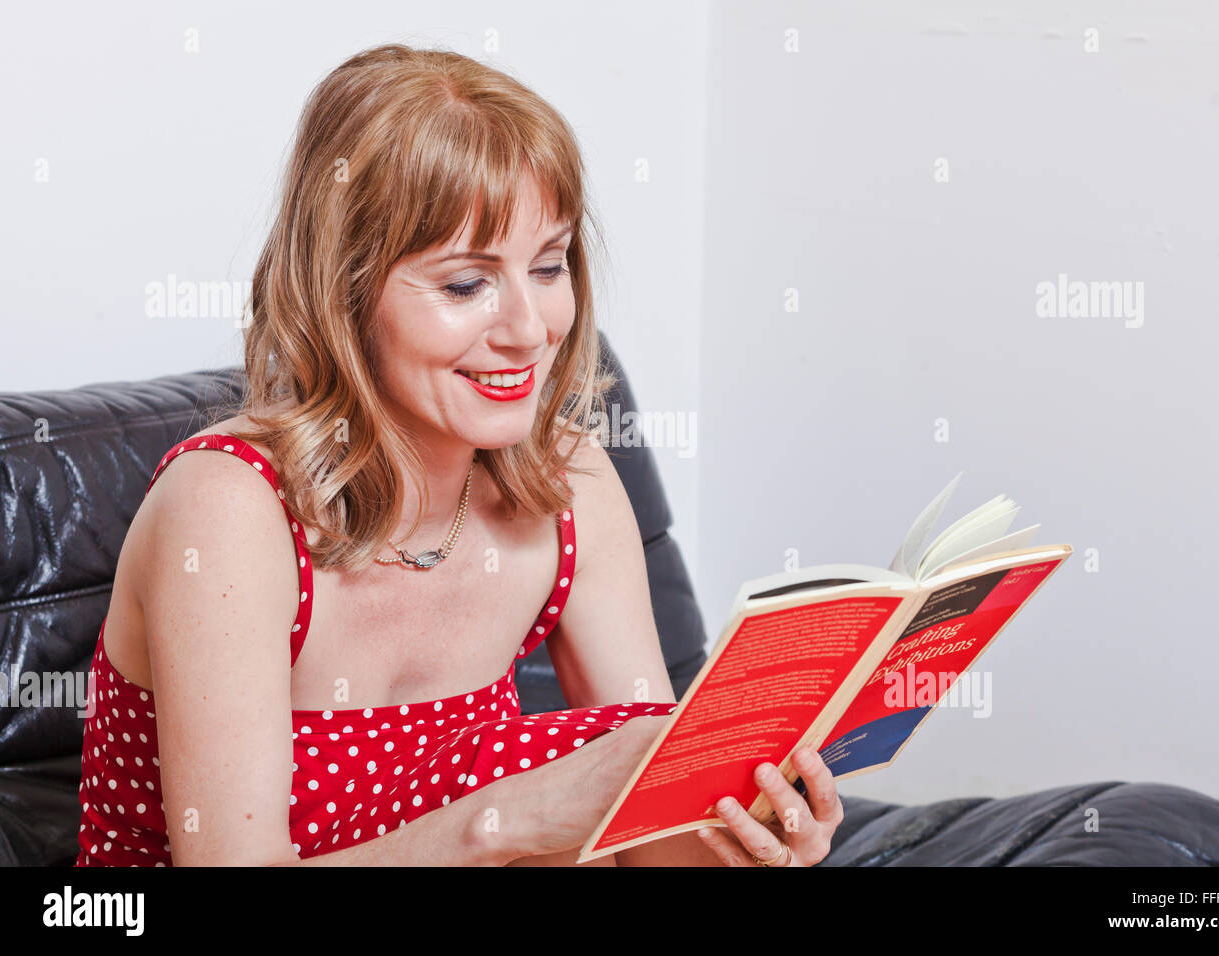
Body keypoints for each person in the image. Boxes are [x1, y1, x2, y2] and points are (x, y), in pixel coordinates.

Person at [74, 43, 843, 867]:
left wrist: (759, 833)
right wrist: (499, 823)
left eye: (548, 266)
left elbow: (647, 825)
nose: (528, 329)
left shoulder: (569, 482)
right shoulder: (228, 507)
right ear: (345, 294)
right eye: (465, 285)